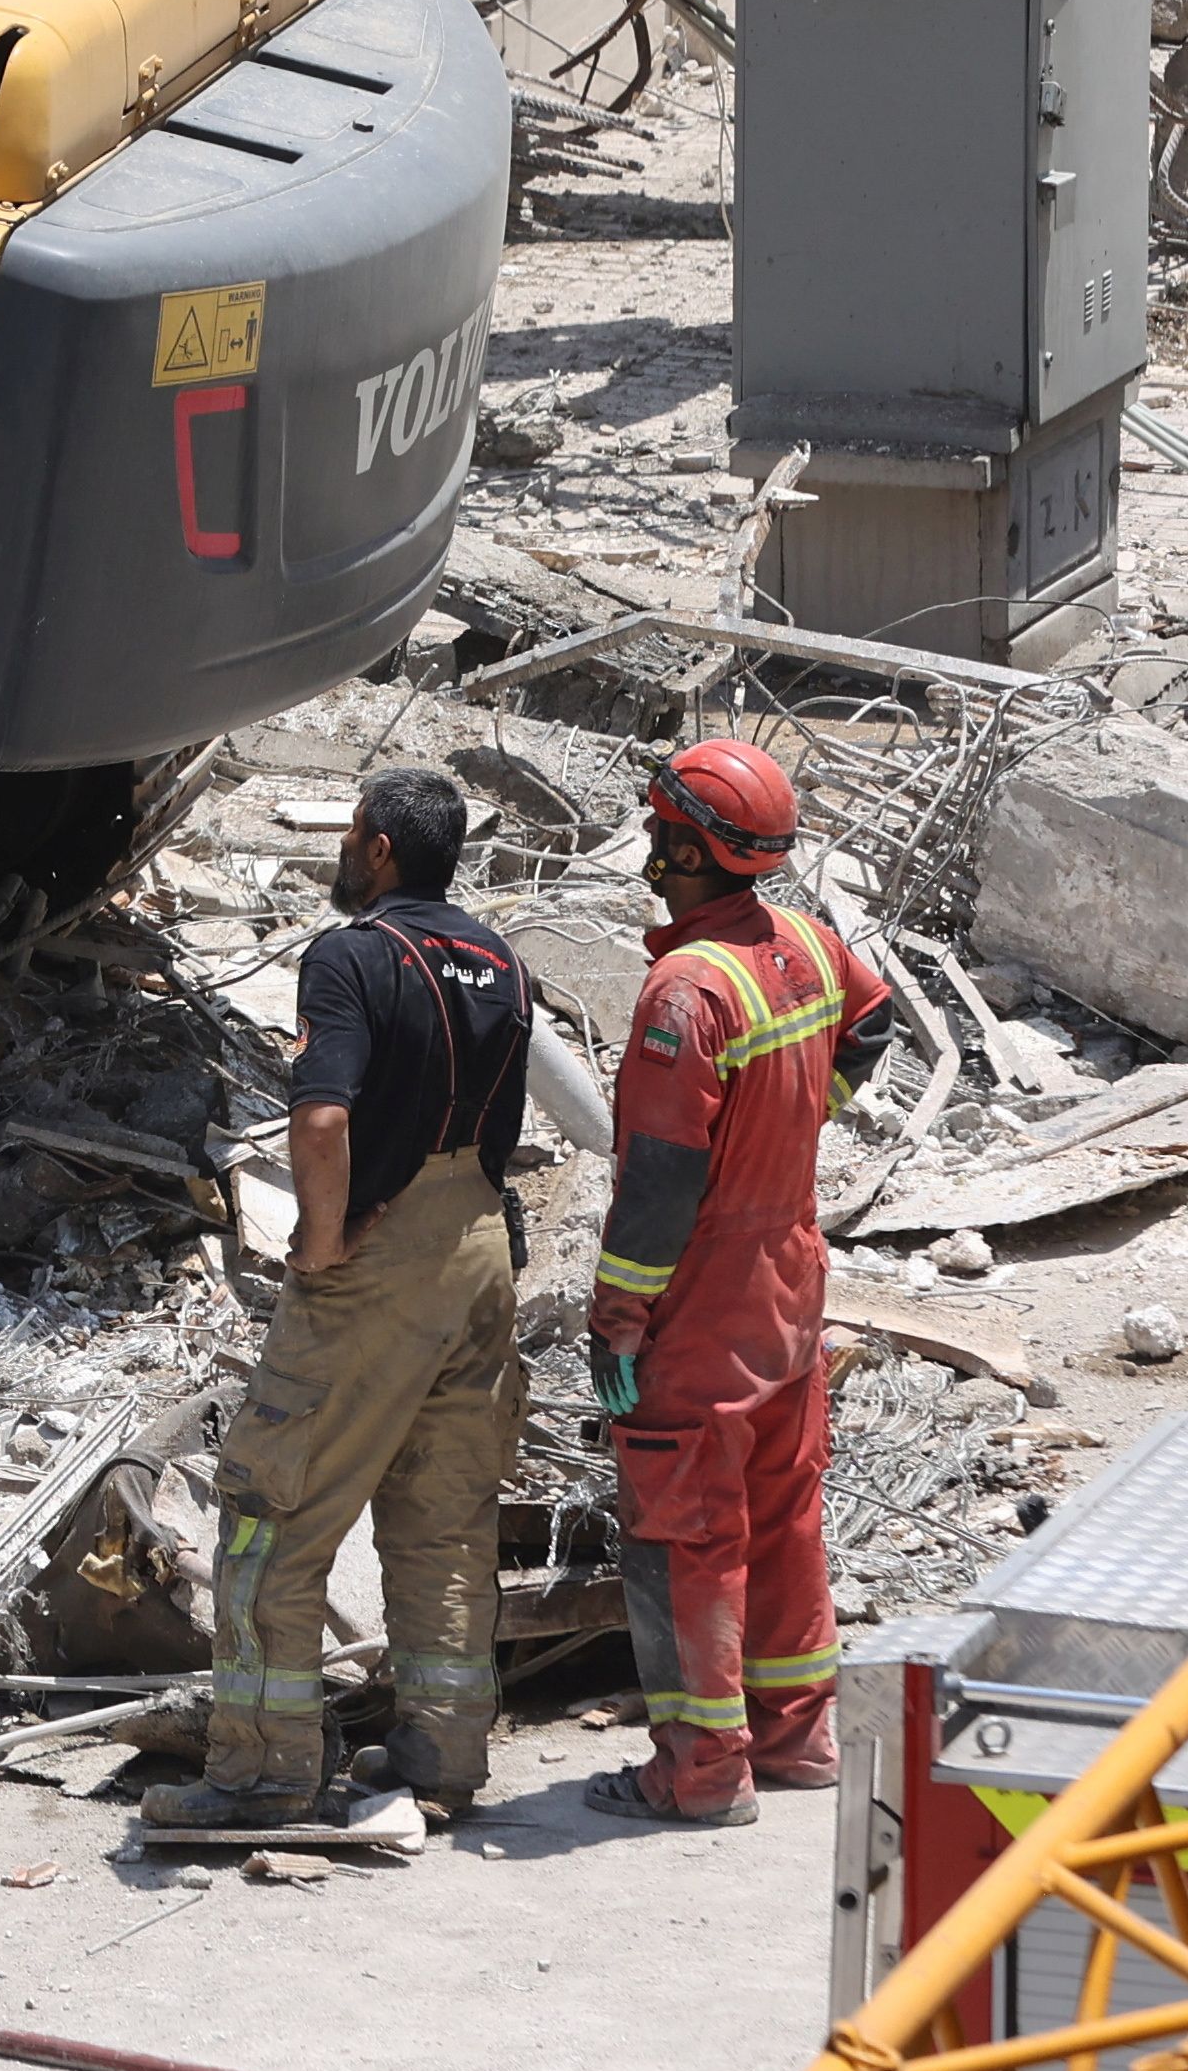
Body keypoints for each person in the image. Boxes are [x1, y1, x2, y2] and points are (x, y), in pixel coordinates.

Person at [143, 767, 537, 1836]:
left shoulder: (351, 954)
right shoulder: (500, 959)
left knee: (271, 1509)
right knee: (444, 1515)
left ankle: (261, 1770)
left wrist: (318, 1244)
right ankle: (440, 1753)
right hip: (479, 1244)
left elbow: (320, 1123)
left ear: (371, 844)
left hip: (385, 1252)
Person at [582, 739, 900, 1829]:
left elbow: (661, 1180)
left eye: (657, 821)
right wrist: (805, 1114)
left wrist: (617, 1318)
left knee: (686, 1532)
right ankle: (794, 1738)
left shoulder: (685, 987)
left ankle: (701, 1773)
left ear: (682, 839)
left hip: (705, 1298)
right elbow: (875, 1023)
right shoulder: (806, 942)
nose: (647, 836)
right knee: (783, 1510)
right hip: (790, 1281)